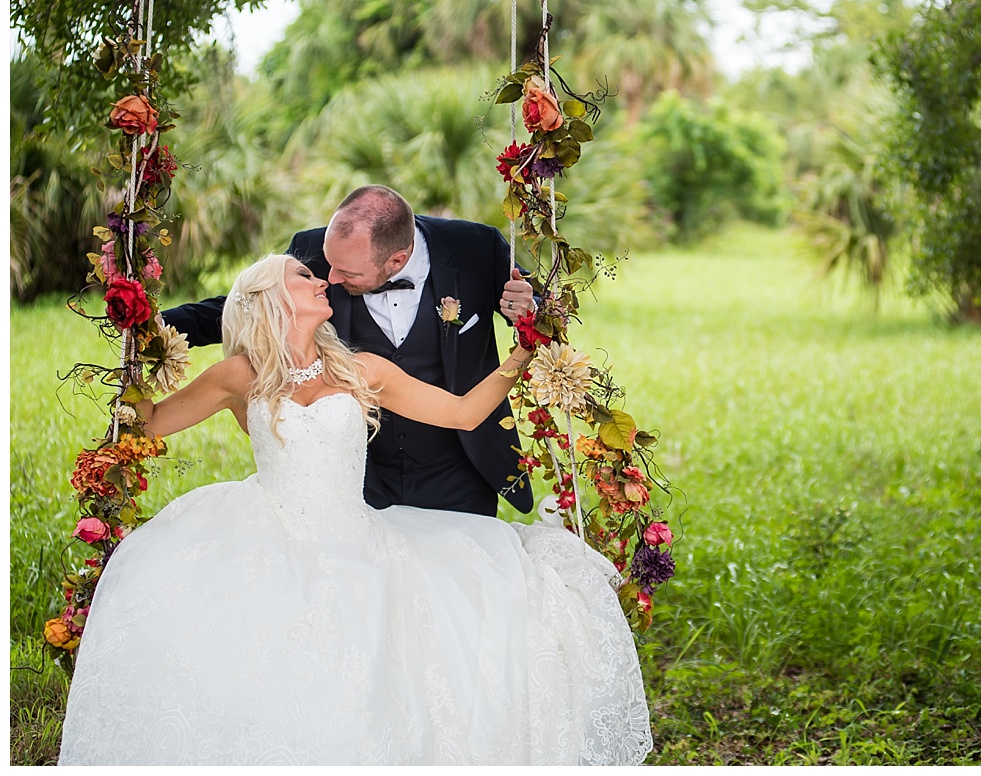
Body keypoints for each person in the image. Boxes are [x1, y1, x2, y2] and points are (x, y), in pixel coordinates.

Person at [57, 255, 652, 766]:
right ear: (269, 297)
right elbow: (150, 423)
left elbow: (464, 413)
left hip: (357, 536)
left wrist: (523, 355)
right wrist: (138, 357)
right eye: (302, 275)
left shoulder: (360, 369)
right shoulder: (238, 374)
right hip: (264, 531)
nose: (320, 280)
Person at [162, 184, 536, 517]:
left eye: (348, 275)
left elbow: (547, 313)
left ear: (396, 261)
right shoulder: (314, 252)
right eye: (321, 270)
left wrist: (530, 314)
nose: (330, 279)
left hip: (458, 470)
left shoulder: (475, 248)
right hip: (362, 479)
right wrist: (153, 327)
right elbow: (253, 307)